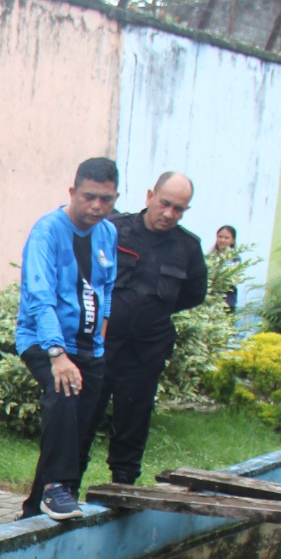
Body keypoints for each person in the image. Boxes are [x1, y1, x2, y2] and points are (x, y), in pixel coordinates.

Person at [82, 173, 208, 487]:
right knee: (82, 418)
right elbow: (85, 276)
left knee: (133, 422)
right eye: (165, 204)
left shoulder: (188, 247)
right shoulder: (113, 231)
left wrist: (152, 311)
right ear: (150, 195)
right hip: (101, 346)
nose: (169, 214)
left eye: (179, 209)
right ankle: (66, 486)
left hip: (146, 352)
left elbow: (195, 293)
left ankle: (123, 489)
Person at [14, 157, 120, 521]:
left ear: (115, 197)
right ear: (73, 192)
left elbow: (105, 291)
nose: (96, 206)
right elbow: (39, 295)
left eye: (106, 200)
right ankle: (56, 487)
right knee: (63, 393)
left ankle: (36, 509)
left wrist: (99, 341)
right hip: (43, 341)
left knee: (80, 425)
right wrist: (57, 354)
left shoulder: (108, 233)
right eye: (89, 197)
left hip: (88, 346)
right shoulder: (47, 231)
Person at [212, 225, 238, 313]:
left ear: (233, 240)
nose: (222, 240)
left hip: (227, 302)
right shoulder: (210, 257)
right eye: (220, 237)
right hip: (210, 301)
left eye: (226, 238)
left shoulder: (235, 259)